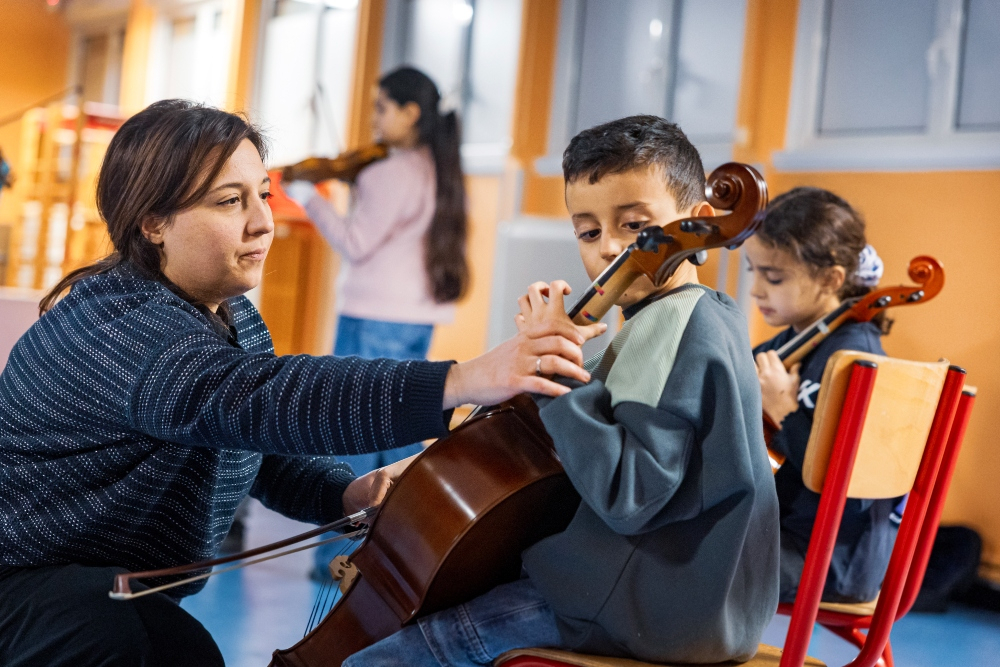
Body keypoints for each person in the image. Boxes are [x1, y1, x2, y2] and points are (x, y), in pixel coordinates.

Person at [0, 99, 604, 667]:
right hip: (24, 585)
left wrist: (344, 495)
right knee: (152, 648)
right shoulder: (120, 327)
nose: (263, 223)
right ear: (153, 222)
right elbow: (262, 397)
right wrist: (465, 379)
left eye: (262, 193)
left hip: (95, 588)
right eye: (228, 202)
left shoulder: (225, 315)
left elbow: (242, 443)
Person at [340, 115, 780, 667]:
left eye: (636, 226)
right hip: (698, 608)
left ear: (697, 223)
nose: (612, 250)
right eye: (590, 232)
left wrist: (555, 370)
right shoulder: (700, 318)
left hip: (643, 608)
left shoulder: (676, 329)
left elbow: (630, 494)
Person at [746, 187, 894, 605]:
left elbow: (848, 480)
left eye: (773, 277)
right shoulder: (786, 347)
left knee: (671, 555)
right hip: (788, 537)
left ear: (831, 279)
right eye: (752, 272)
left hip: (829, 557)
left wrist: (783, 411)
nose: (757, 290)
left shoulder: (857, 358)